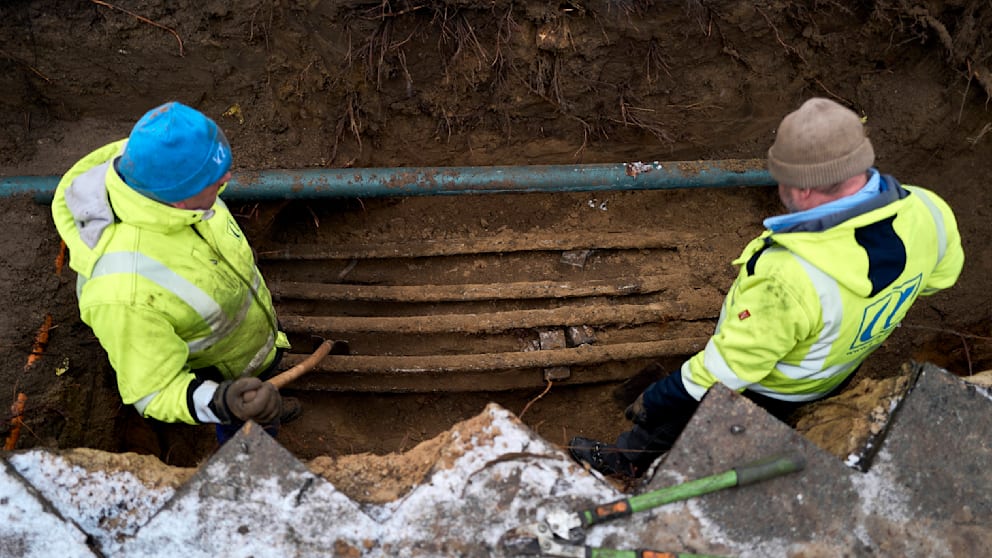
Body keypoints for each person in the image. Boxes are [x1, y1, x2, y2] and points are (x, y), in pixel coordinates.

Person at [569, 97, 964, 478]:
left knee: (681, 415)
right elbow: (938, 281)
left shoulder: (788, 278)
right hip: (833, 372)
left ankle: (630, 460)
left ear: (803, 188)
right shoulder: (928, 209)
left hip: (769, 384)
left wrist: (664, 396)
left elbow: (727, 372)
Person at [51, 101, 299, 445]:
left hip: (249, 346)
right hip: (217, 380)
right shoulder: (124, 292)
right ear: (179, 200)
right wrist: (223, 401)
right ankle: (247, 437)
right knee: (244, 428)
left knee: (262, 402)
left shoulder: (159, 164)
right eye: (214, 179)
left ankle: (268, 405)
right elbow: (153, 391)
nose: (227, 178)